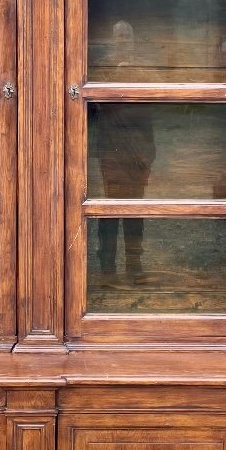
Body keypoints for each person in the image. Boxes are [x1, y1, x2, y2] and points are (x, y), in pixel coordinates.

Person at [93, 20, 156, 285]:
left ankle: (134, 264)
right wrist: (114, 77)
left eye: (127, 36)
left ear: (133, 40)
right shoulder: (103, 68)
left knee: (135, 208)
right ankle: (107, 267)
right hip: (111, 148)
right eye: (118, 36)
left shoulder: (144, 67)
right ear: (112, 40)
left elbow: (157, 99)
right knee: (108, 208)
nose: (123, 41)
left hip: (139, 149)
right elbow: (93, 106)